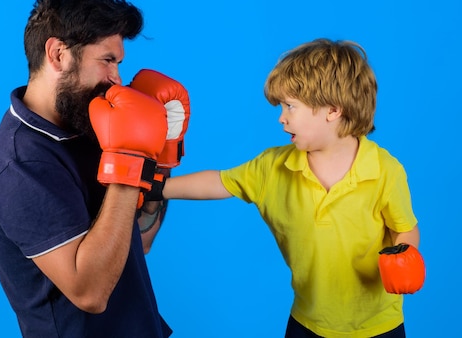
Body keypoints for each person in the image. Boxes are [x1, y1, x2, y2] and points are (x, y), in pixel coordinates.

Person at [155, 39, 425, 338]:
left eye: (290, 106)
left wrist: (405, 253)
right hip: (307, 322)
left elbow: (405, 227)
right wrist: (157, 187)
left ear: (332, 110)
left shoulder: (384, 170)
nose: (281, 117)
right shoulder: (273, 167)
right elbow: (219, 181)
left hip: (378, 326)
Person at [0, 0, 189, 338]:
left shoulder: (90, 123)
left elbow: (140, 239)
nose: (117, 79)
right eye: (107, 60)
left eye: (119, 63)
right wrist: (131, 159)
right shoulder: (20, 165)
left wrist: (160, 156)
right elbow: (89, 293)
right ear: (58, 54)